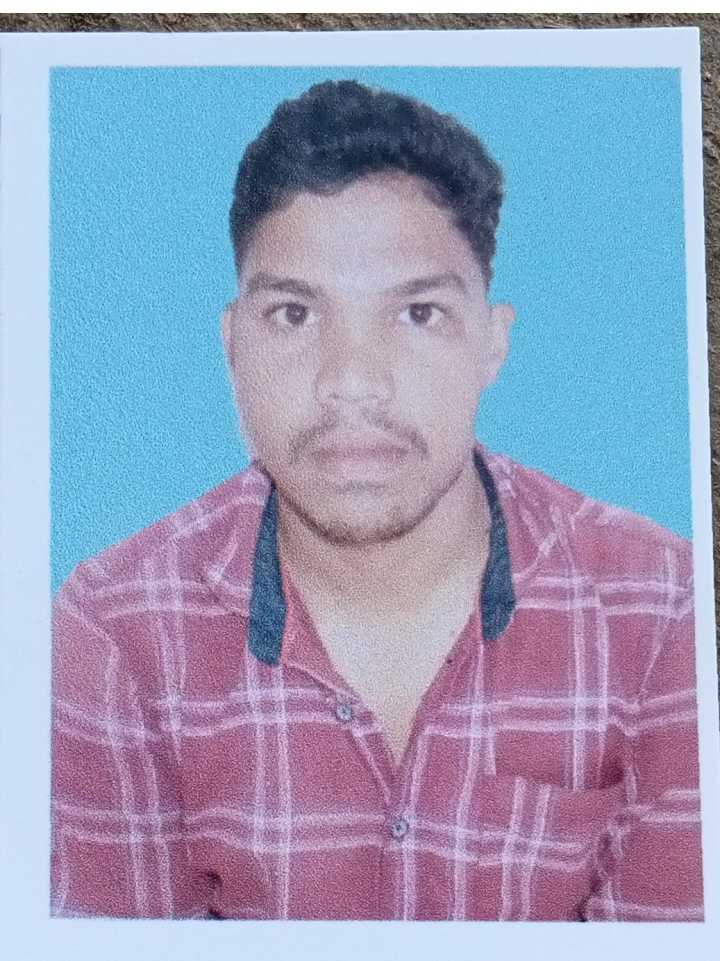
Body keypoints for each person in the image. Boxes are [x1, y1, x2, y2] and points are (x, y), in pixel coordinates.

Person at [51, 79, 703, 921]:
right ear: (232, 344)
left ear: (492, 342)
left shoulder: (661, 607)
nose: (352, 380)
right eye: (294, 313)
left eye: (418, 312)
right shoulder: (116, 634)